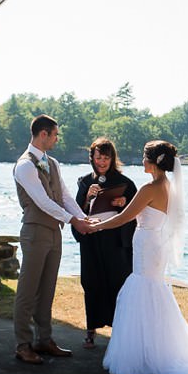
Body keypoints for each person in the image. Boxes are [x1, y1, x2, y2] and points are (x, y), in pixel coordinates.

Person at [84, 140, 188, 374]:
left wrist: (96, 226)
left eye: (144, 156)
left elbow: (124, 218)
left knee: (141, 290)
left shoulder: (149, 188)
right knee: (153, 291)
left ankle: (145, 354)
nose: (141, 160)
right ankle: (158, 349)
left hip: (147, 245)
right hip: (157, 244)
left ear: (151, 161)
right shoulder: (167, 185)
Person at [12, 114, 91, 365]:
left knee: (47, 289)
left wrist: (83, 217)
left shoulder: (53, 163)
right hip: (35, 231)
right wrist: (73, 221)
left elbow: (65, 196)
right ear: (43, 134)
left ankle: (44, 339)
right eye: (55, 134)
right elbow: (43, 201)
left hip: (54, 232)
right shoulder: (25, 165)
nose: (56, 139)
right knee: (28, 290)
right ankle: (23, 344)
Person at [71, 137, 136, 349]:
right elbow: (76, 212)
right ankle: (90, 331)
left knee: (118, 284)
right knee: (91, 283)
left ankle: (120, 330)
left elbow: (135, 212)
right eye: (98, 157)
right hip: (92, 241)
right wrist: (87, 199)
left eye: (106, 158)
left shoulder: (125, 183)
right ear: (92, 158)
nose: (102, 162)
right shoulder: (84, 182)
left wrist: (123, 203)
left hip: (115, 241)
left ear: (112, 158)